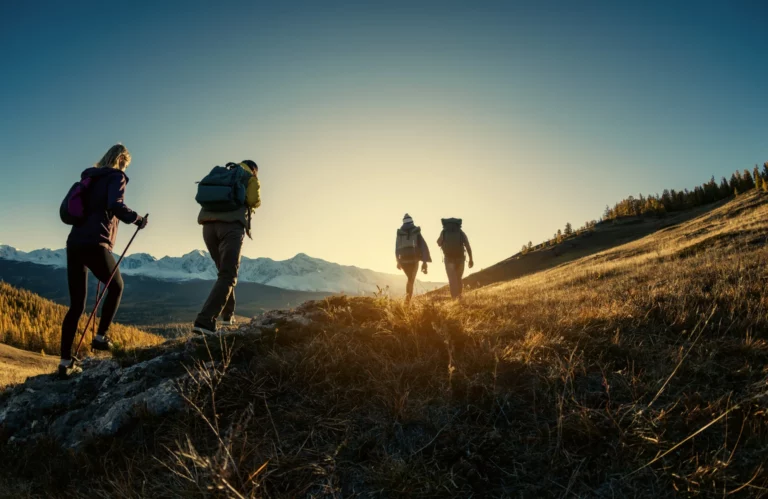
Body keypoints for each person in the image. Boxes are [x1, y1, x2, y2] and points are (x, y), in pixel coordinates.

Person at [59, 144, 148, 379]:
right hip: (95, 242)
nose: (125, 168)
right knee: (117, 286)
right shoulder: (116, 176)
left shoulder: (89, 177)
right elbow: (115, 205)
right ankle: (101, 338)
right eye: (125, 164)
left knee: (76, 305)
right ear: (120, 159)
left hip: (75, 242)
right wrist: (137, 219)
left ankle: (65, 361)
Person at [193, 160, 261, 335]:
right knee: (228, 275)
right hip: (230, 227)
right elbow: (254, 200)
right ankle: (205, 321)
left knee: (223, 272)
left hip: (208, 227)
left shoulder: (223, 173)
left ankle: (227, 315)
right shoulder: (250, 177)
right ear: (254, 170)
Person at [395, 213, 432, 302]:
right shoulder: (416, 232)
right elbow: (423, 246)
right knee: (411, 280)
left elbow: (396, 248)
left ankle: (407, 301)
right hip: (414, 259)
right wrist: (424, 262)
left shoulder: (400, 233)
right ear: (412, 222)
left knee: (409, 279)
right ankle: (407, 302)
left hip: (403, 260)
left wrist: (398, 261)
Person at [437, 218, 473, 299]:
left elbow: (438, 243)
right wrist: (471, 259)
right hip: (460, 259)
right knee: (458, 278)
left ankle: (454, 299)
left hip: (448, 258)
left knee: (452, 280)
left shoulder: (444, 232)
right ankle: (459, 297)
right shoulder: (460, 232)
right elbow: (467, 246)